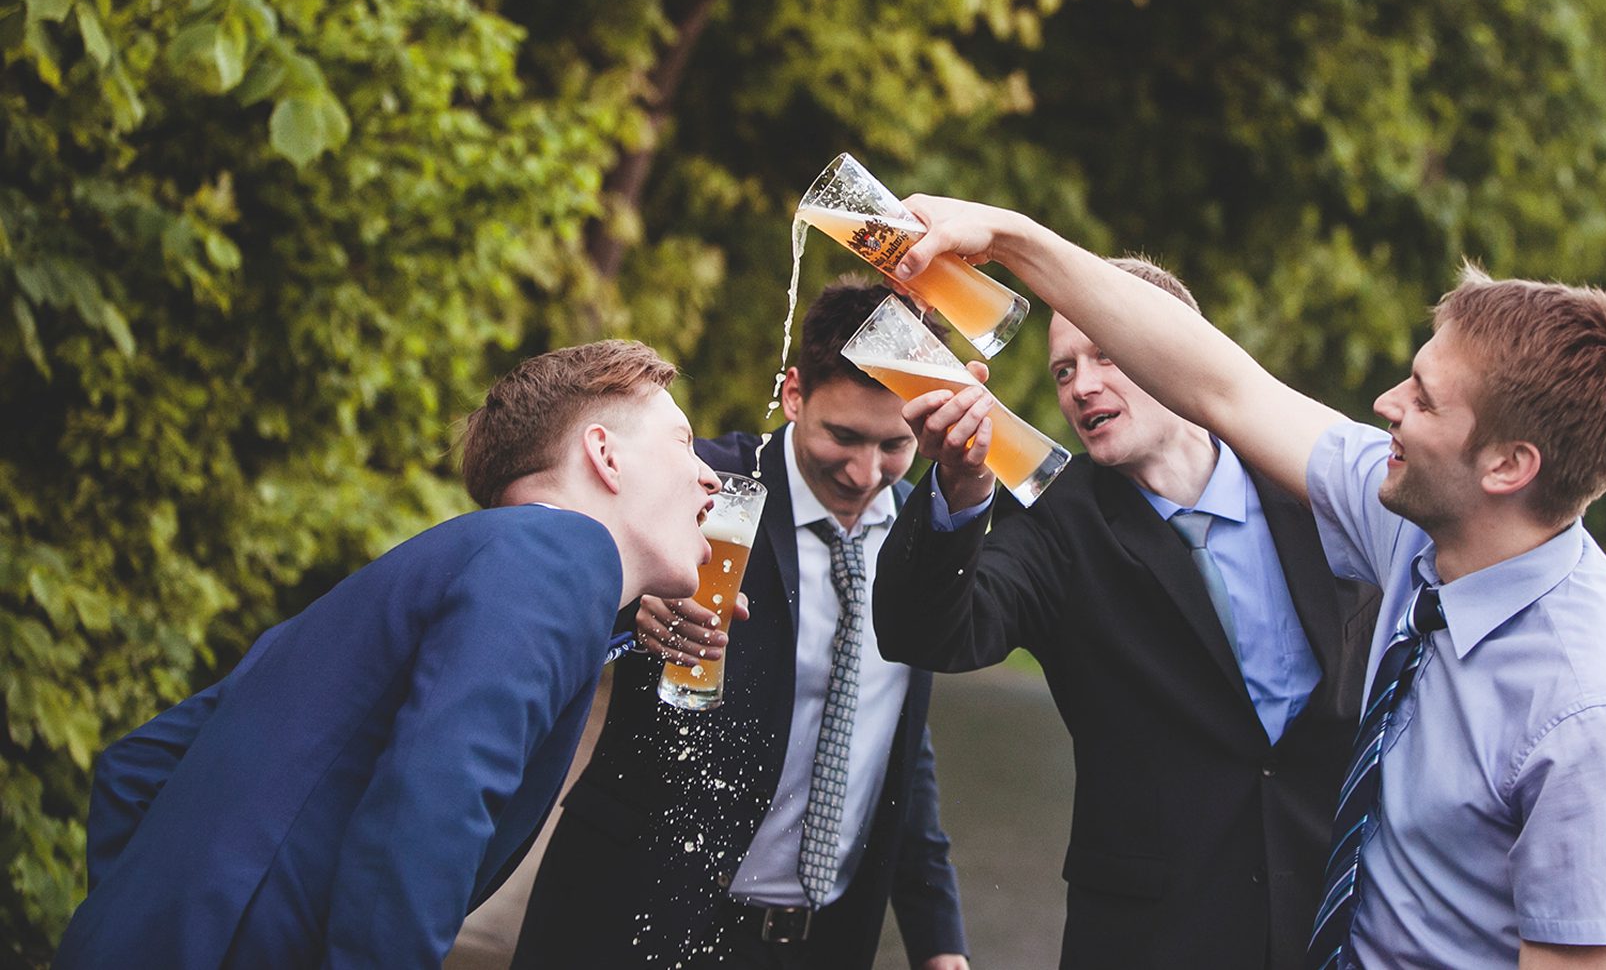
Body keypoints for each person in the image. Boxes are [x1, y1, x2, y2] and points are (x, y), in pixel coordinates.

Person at [885, 202, 1606, 970]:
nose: (1385, 404)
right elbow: (1224, 386)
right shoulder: (1406, 523)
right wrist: (1008, 237)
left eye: (1423, 400)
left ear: (1508, 466)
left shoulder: (1593, 724)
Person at [57, 340, 721, 970]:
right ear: (605, 455)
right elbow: (431, 806)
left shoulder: (456, 567)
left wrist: (143, 930)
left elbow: (137, 767)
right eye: (683, 442)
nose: (711, 478)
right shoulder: (562, 556)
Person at [872, 257, 1373, 970]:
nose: (1081, 386)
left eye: (1106, 353)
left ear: (1179, 350)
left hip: (1331, 921)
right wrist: (959, 484)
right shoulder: (1054, 517)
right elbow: (928, 634)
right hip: (1150, 936)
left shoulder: (1309, 484)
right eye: (1064, 370)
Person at [513, 280, 970, 970]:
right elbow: (554, 584)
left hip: (816, 945)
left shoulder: (924, 534)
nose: (864, 472)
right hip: (631, 912)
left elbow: (894, 736)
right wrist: (631, 609)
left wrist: (939, 938)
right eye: (843, 436)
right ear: (794, 394)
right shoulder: (702, 481)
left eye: (895, 445)